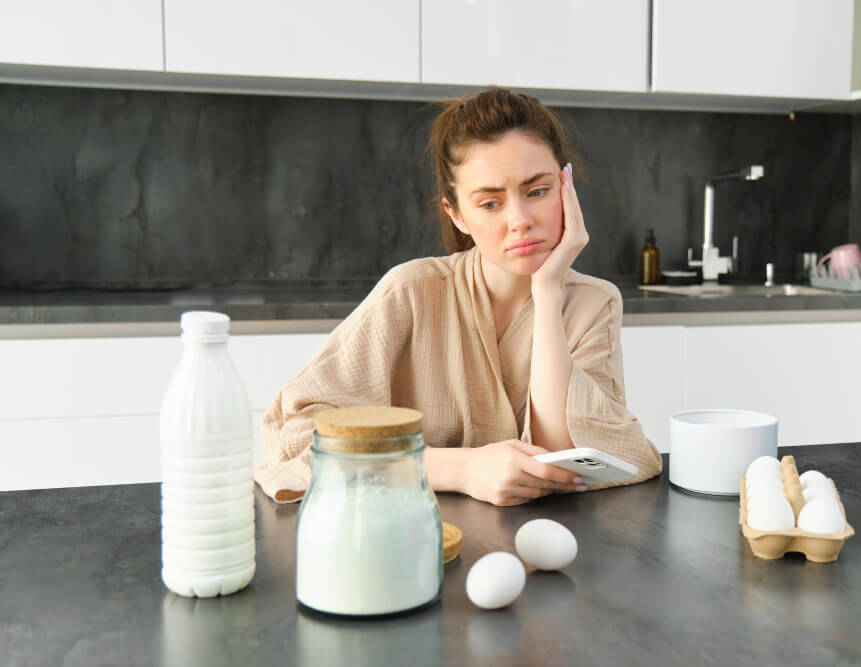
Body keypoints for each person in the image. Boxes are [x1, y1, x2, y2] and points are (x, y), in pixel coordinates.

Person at [254, 87, 662, 506]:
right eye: (489, 203)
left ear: (566, 187)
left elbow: (563, 458)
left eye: (537, 191)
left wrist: (547, 291)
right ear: (456, 214)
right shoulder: (412, 290)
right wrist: (459, 469)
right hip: (409, 536)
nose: (519, 221)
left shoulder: (594, 303)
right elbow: (302, 439)